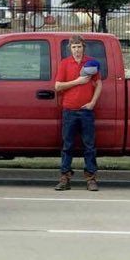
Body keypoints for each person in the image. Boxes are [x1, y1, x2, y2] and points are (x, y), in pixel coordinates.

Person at [54, 35, 103, 192]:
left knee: (89, 146)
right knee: (67, 145)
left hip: (86, 111)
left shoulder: (90, 63)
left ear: (83, 47)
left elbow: (99, 84)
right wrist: (78, 81)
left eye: (79, 46)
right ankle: (65, 177)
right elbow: (58, 86)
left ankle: (91, 178)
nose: (77, 50)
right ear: (70, 48)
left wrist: (93, 103)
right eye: (74, 47)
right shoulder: (64, 64)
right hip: (69, 110)